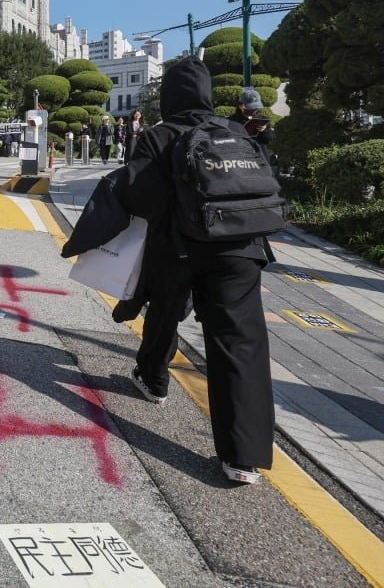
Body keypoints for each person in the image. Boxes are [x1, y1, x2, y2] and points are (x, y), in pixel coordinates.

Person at [111, 58, 275, 486]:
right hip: (241, 248)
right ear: (206, 93)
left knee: (164, 310)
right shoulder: (235, 131)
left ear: (170, 96)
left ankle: (154, 380)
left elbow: (140, 196)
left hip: (180, 246)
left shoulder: (159, 135)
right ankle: (243, 457)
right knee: (239, 342)